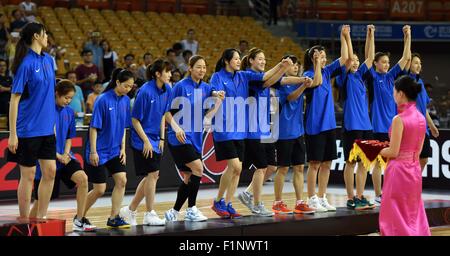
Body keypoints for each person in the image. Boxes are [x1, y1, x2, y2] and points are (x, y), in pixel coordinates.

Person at [209, 48, 292, 218]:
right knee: (236, 166)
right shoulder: (217, 76)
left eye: (240, 58)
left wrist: (280, 65)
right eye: (236, 59)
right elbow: (212, 90)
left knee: (237, 171)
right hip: (224, 129)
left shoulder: (243, 76)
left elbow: (265, 77)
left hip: (239, 131)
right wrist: (216, 94)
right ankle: (219, 200)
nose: (239, 61)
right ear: (226, 61)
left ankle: (228, 203)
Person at [29, 80, 96, 232]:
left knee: (83, 179)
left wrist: (65, 154)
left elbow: (69, 137)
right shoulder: (45, 111)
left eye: (71, 98)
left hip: (64, 158)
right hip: (47, 159)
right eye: (66, 97)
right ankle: (31, 226)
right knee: (39, 202)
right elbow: (42, 137)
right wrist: (57, 155)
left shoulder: (69, 112)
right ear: (56, 94)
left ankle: (79, 220)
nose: (68, 101)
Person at [8, 22, 56, 218]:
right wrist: (13, 134)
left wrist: (52, 123)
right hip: (28, 130)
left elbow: (50, 95)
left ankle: (40, 218)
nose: (47, 37)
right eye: (45, 34)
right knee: (28, 177)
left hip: (47, 129)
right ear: (36, 36)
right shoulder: (25, 64)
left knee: (51, 172)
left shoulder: (49, 60)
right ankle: (24, 221)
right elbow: (14, 99)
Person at [164, 55, 221, 222]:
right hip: (179, 138)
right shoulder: (180, 86)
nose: (202, 70)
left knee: (189, 177)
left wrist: (218, 102)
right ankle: (191, 209)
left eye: (204, 67)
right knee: (198, 168)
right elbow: (167, 113)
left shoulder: (205, 88)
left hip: (195, 138)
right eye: (198, 67)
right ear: (190, 68)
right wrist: (176, 129)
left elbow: (207, 116)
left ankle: (173, 212)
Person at [303, 25, 350, 212]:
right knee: (314, 163)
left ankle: (321, 197)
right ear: (312, 58)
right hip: (314, 126)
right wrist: (315, 64)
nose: (323, 59)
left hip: (329, 124)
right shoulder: (307, 74)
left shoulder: (328, 71)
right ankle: (311, 198)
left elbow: (345, 58)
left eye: (323, 57)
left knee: (327, 163)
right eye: (320, 56)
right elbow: (317, 82)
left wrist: (344, 37)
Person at [119, 59, 172, 226]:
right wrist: (146, 141)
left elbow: (163, 114)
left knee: (152, 176)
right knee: (153, 174)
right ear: (157, 74)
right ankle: (149, 213)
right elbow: (134, 120)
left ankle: (130, 210)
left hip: (156, 139)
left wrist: (162, 138)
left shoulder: (168, 90)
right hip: (141, 139)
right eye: (167, 71)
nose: (170, 74)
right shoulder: (145, 92)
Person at [365, 25, 411, 206]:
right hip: (377, 127)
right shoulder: (373, 77)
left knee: (393, 163)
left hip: (393, 128)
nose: (386, 65)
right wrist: (372, 34)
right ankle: (378, 195)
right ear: (376, 64)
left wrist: (408, 36)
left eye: (387, 62)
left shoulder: (392, 76)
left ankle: (391, 192)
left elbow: (406, 57)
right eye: (382, 62)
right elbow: (369, 56)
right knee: (377, 163)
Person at [379, 75, 430, 236]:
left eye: (394, 91)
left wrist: (374, 149)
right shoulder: (422, 118)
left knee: (394, 213)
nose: (393, 94)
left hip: (398, 171)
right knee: (412, 211)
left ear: (400, 93)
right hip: (414, 171)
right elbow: (418, 150)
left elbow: (393, 152)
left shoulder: (398, 119)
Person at [83, 68, 133, 228]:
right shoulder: (103, 100)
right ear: (117, 82)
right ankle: (79, 216)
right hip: (98, 150)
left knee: (122, 180)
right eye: (126, 86)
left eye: (131, 87)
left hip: (115, 151)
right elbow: (94, 128)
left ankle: (114, 217)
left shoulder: (125, 101)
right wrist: (93, 151)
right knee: (99, 189)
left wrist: (123, 149)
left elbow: (124, 128)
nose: (128, 89)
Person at [335, 25, 376, 210]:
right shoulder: (344, 78)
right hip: (352, 126)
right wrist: (346, 36)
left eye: (357, 61)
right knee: (350, 163)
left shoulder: (360, 76)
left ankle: (360, 195)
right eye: (353, 61)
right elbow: (349, 57)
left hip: (366, 125)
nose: (356, 62)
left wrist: (371, 34)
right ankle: (351, 196)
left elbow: (371, 58)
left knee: (363, 164)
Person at [404, 53, 440, 171]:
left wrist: (431, 125)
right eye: (415, 63)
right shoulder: (406, 81)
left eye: (420, 63)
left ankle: (414, 181)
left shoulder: (420, 83)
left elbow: (423, 108)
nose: (419, 65)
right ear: (409, 64)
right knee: (411, 159)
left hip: (422, 127)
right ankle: (408, 184)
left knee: (424, 158)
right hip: (410, 126)